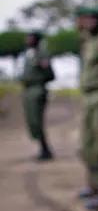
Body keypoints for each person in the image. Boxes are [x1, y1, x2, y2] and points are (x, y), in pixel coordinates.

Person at [74, 6, 98, 202]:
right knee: (87, 145)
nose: (84, 24)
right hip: (88, 98)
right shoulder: (88, 41)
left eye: (89, 19)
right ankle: (94, 186)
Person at [19, 30, 55, 161]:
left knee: (36, 121)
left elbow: (50, 74)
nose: (27, 40)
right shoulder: (28, 53)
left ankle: (45, 150)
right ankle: (43, 148)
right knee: (32, 121)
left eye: (30, 37)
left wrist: (41, 75)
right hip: (28, 90)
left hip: (37, 89)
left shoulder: (41, 53)